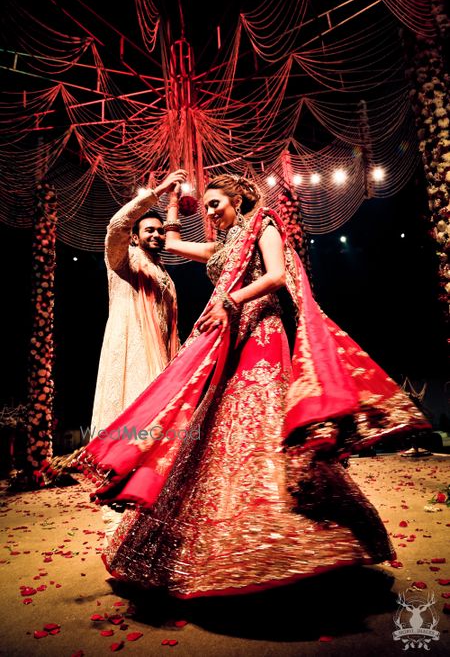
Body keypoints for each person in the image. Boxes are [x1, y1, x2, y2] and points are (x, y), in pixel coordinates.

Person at [81, 173, 430, 599]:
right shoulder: (224, 246)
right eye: (206, 207)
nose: (209, 213)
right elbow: (173, 245)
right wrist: (171, 201)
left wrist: (231, 300)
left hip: (262, 331)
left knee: (261, 417)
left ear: (239, 199)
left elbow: (278, 276)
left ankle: (293, 533)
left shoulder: (262, 223)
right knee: (217, 428)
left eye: (215, 205)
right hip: (230, 338)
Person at [89, 169, 186, 438]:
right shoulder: (123, 260)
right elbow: (116, 225)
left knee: (160, 417)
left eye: (159, 231)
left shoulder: (162, 270)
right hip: (131, 344)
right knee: (133, 410)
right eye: (149, 230)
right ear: (134, 236)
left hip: (161, 351)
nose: (156, 235)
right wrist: (159, 192)